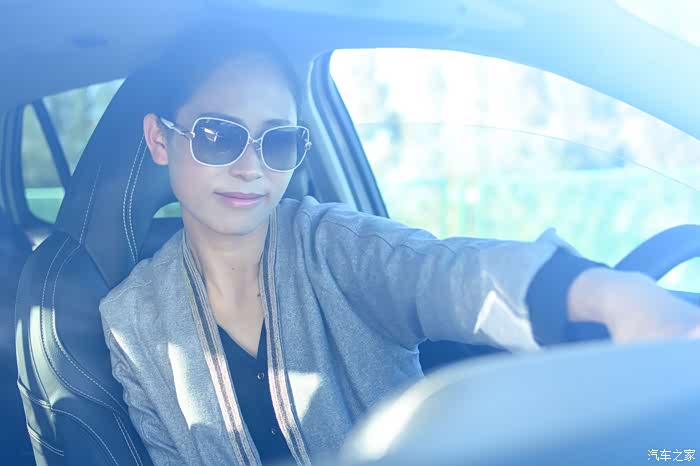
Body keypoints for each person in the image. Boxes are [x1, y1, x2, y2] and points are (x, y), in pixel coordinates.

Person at [99, 24, 700, 466]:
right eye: (218, 136)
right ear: (159, 140)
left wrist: (619, 297)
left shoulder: (335, 247)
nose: (251, 167)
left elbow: (453, 275)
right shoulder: (130, 321)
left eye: (277, 142)